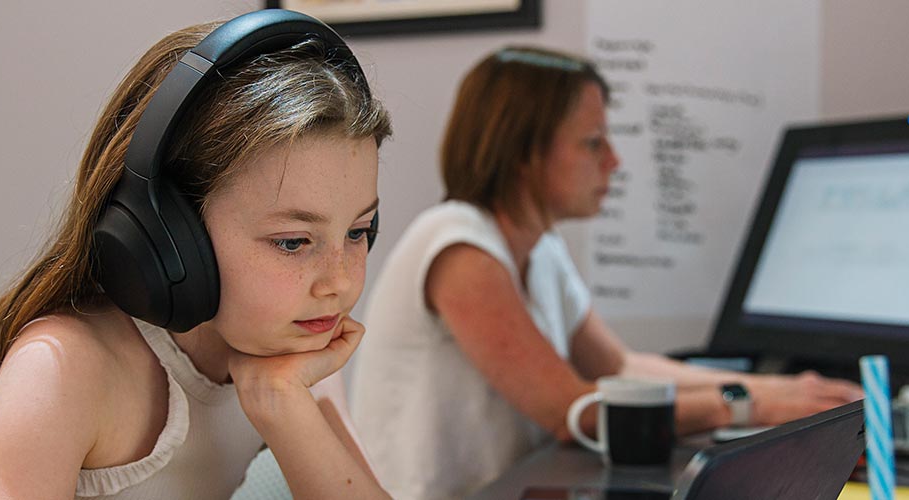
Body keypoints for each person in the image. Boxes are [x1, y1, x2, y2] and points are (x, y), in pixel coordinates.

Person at [0, 13, 392, 500]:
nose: (339, 283)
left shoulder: (299, 340)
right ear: (169, 230)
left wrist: (282, 404)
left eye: (357, 232)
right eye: (292, 242)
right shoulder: (62, 369)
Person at [348, 46, 864, 499]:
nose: (614, 161)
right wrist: (752, 403)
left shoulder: (541, 248)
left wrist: (782, 390)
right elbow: (572, 410)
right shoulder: (457, 246)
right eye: (593, 142)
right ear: (525, 152)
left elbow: (617, 366)